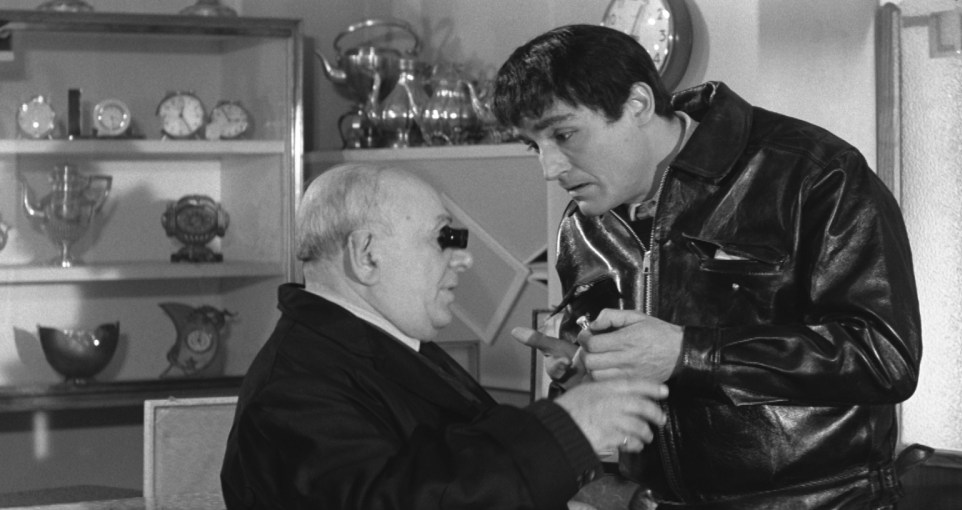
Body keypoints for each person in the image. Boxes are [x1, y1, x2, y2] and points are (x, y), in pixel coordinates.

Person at [494, 24, 925, 509]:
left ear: (637, 104)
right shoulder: (582, 227)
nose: (549, 168)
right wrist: (587, 374)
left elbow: (885, 357)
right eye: (534, 146)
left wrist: (689, 353)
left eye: (564, 134)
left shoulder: (814, 172)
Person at [220, 163, 670, 510]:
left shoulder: (380, 347)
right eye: (443, 238)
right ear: (367, 255)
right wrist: (564, 430)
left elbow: (454, 468)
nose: (464, 259)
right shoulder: (293, 390)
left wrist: (574, 410)